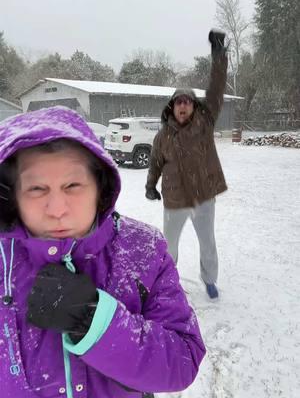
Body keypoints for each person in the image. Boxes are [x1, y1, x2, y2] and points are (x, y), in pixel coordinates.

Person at [0, 106, 205, 398]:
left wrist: (93, 321)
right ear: (12, 196)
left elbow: (183, 360)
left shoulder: (143, 250)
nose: (57, 209)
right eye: (36, 189)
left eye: (73, 185)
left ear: (100, 186)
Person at [145, 30, 228, 299]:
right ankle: (167, 282)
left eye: (187, 102)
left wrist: (218, 56)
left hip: (203, 195)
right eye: (178, 102)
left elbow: (216, 89)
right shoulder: (162, 135)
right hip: (175, 198)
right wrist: (150, 185)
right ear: (172, 107)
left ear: (193, 107)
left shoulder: (204, 124)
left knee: (208, 243)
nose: (183, 106)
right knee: (169, 246)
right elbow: (155, 163)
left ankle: (210, 280)